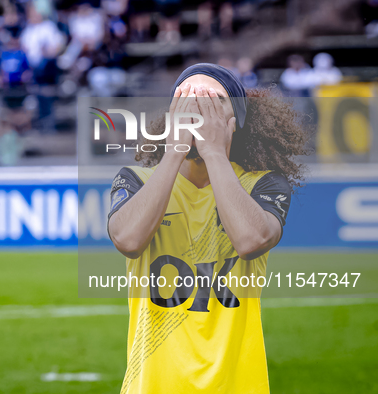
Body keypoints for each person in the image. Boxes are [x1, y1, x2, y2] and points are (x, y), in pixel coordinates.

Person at [108, 63, 307, 393]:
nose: (197, 111)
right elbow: (128, 239)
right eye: (186, 100)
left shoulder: (263, 184)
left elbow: (251, 239)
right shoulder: (137, 180)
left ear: (236, 120)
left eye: (212, 102)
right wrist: (174, 152)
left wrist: (215, 151)